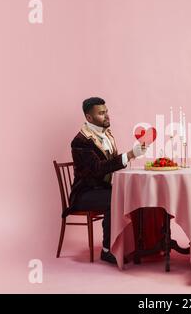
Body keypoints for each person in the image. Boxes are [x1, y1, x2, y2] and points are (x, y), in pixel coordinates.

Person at [68, 97, 147, 264]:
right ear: (89, 118)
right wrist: (130, 155)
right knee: (116, 198)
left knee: (134, 193)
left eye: (106, 111)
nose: (106, 116)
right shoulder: (80, 142)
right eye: (101, 113)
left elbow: (109, 164)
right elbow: (98, 168)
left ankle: (140, 243)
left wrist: (131, 155)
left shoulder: (106, 135)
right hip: (85, 193)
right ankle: (107, 249)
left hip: (103, 188)